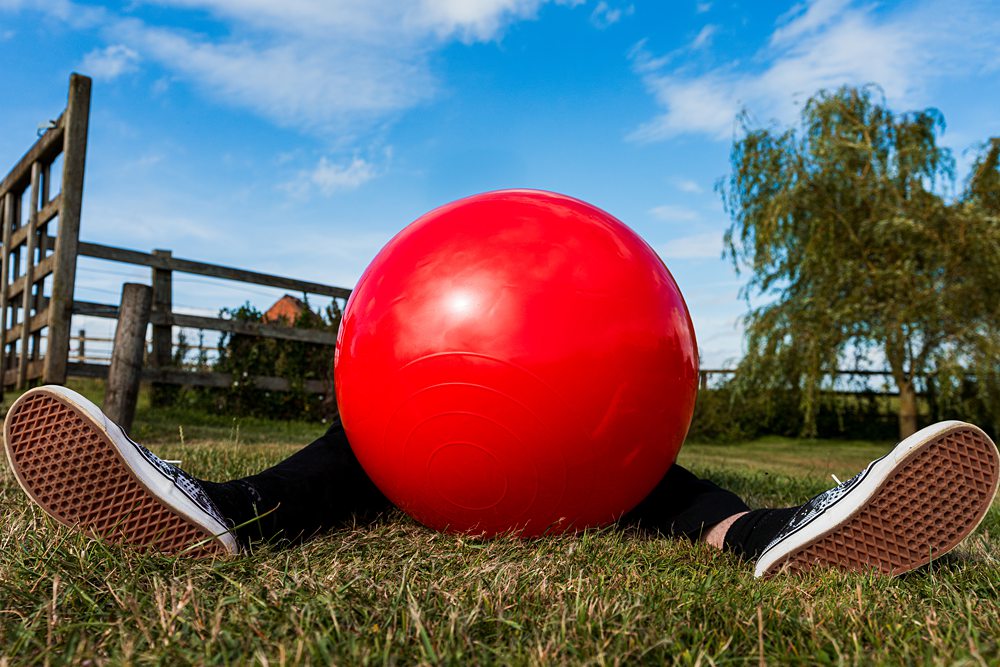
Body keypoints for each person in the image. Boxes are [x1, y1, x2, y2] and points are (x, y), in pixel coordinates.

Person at [4, 385, 998, 577]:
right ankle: (214, 511)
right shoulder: (419, 371)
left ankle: (768, 533)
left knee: (623, 460)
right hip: (410, 444)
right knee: (358, 448)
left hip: (578, 450)